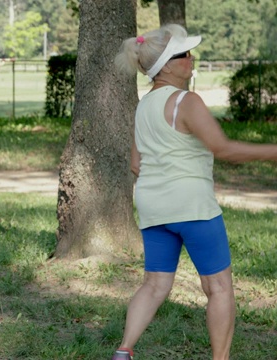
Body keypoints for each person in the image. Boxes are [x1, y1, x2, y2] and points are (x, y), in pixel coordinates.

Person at [112, 24, 277, 360]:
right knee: (218, 288)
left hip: (153, 206)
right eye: (183, 54)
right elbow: (223, 148)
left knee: (155, 285)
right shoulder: (186, 101)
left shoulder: (144, 106)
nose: (191, 58)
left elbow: (134, 163)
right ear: (167, 66)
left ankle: (123, 351)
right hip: (193, 207)